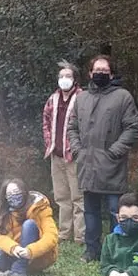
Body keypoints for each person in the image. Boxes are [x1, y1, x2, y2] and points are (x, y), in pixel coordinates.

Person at [67, 55, 138, 262]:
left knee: (114, 212)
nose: (100, 73)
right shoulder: (81, 98)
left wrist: (115, 151)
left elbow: (133, 128)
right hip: (87, 164)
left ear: (111, 73)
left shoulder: (123, 97)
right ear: (90, 73)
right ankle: (92, 250)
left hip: (112, 166)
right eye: (96, 70)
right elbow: (72, 126)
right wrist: (77, 149)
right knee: (89, 212)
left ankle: (115, 251)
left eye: (104, 70)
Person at [42, 60, 85, 245]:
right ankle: (64, 233)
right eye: (61, 76)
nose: (64, 79)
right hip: (56, 155)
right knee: (61, 197)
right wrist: (49, 143)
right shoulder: (53, 99)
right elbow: (45, 121)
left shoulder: (83, 98)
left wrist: (78, 148)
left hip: (73, 156)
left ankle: (80, 236)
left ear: (75, 79)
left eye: (68, 76)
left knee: (78, 197)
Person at [0, 178, 58, 276]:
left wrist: (30, 251)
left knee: (29, 225)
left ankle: (19, 270)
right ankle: (21, 265)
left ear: (24, 192)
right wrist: (14, 248)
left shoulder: (40, 208)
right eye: (9, 194)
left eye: (16, 192)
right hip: (19, 253)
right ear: (5, 198)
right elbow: (1, 237)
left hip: (39, 255)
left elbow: (51, 236)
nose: (13, 196)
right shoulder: (7, 213)